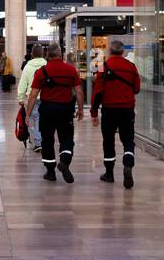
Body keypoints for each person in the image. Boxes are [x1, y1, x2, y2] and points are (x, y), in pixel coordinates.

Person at [24, 42, 83, 182]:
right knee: (67, 138)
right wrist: (80, 109)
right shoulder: (70, 70)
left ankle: (50, 172)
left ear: (47, 55)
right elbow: (79, 91)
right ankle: (64, 161)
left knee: (47, 140)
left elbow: (33, 95)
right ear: (60, 54)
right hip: (65, 110)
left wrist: (28, 114)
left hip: (47, 110)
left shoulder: (42, 72)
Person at [90, 39, 141, 188]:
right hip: (127, 109)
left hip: (109, 110)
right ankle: (128, 165)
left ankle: (109, 174)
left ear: (109, 52)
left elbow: (97, 92)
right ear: (123, 52)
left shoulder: (103, 67)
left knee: (108, 141)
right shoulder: (131, 67)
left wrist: (94, 113)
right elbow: (137, 88)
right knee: (128, 140)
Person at [16, 43, 47, 152]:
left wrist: (20, 98)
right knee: (44, 120)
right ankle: (43, 141)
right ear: (43, 53)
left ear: (32, 54)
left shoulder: (28, 67)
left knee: (33, 119)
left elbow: (22, 84)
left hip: (32, 98)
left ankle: (38, 142)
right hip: (46, 98)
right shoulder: (47, 65)